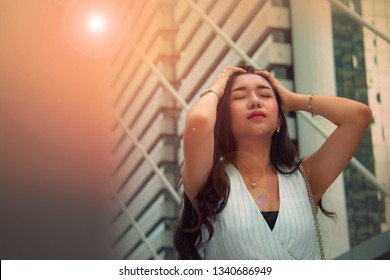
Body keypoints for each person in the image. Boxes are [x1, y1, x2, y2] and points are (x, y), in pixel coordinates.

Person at [173, 65, 372, 259]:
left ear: (279, 119)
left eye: (266, 95)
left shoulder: (305, 178)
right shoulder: (208, 180)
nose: (254, 101)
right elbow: (199, 120)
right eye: (240, 96)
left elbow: (358, 116)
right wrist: (217, 87)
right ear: (223, 118)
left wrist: (292, 100)